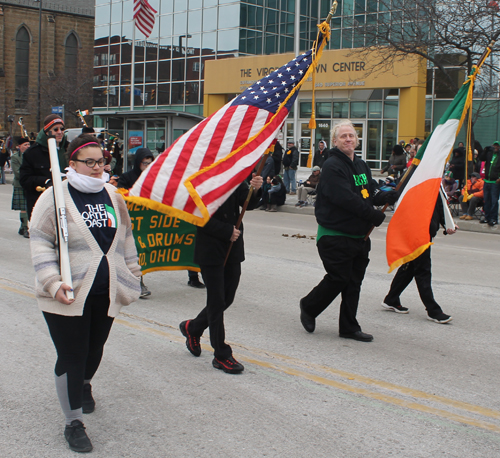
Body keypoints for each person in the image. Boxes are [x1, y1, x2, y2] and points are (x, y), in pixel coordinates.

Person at [29, 135, 141, 452]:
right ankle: (73, 423)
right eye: (88, 162)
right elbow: (39, 243)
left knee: (94, 350)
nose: (96, 168)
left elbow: (126, 237)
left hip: (106, 291)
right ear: (73, 164)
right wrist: (52, 282)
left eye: (101, 161)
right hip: (66, 294)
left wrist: (133, 274)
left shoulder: (112, 195)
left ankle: (85, 383)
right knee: (73, 354)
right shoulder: (55, 197)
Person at [299, 120, 397, 342]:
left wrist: (385, 196)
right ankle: (309, 305)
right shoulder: (333, 165)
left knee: (353, 282)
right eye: (343, 136)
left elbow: (368, 191)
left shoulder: (361, 165)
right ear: (335, 141)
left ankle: (349, 327)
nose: (348, 139)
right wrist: (373, 215)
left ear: (357, 140)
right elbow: (345, 198)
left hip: (360, 236)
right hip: (335, 234)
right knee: (339, 278)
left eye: (351, 135)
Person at [179, 174, 263, 373]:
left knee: (227, 297)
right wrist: (225, 231)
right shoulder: (200, 180)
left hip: (232, 247)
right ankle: (221, 355)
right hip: (211, 249)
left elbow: (247, 204)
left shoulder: (232, 176)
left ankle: (194, 327)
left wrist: (255, 189)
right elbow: (197, 216)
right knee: (216, 301)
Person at [382, 198, 457, 323]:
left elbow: (438, 206)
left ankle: (391, 299)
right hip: (417, 234)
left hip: (426, 232)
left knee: (409, 268)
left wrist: (448, 224)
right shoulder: (418, 180)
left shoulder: (435, 183)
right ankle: (433, 310)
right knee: (423, 271)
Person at [20, 114, 69, 219]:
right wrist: (46, 181)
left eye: (62, 129)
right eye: (55, 129)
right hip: (42, 203)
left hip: (67, 201)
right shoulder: (32, 153)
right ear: (47, 132)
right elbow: (25, 179)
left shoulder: (69, 149)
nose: (60, 132)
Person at [11, 137, 31, 237]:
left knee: (30, 206)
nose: (27, 146)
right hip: (20, 185)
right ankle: (24, 228)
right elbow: (17, 172)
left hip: (30, 184)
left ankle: (23, 227)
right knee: (24, 208)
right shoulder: (15, 157)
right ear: (19, 147)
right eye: (25, 145)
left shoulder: (32, 156)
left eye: (28, 144)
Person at [480, 141, 500, 226]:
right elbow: (481, 158)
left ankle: (494, 218)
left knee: (494, 201)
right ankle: (487, 217)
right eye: (494, 146)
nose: (495, 148)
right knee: (487, 200)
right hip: (487, 181)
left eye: (497, 146)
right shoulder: (489, 154)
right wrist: (485, 150)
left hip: (495, 181)